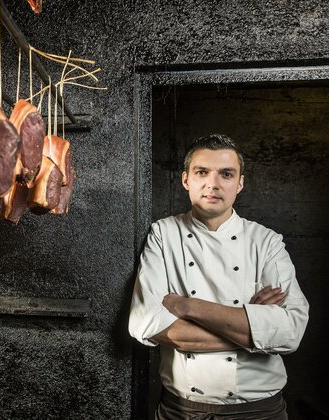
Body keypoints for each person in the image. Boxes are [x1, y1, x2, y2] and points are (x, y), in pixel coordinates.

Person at [128, 134, 309, 419]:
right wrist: (255, 330)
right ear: (186, 179)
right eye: (202, 172)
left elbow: (291, 332)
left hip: (260, 412)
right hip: (182, 410)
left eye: (226, 174)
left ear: (240, 183)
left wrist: (188, 307)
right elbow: (145, 323)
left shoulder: (266, 242)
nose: (213, 184)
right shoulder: (163, 234)